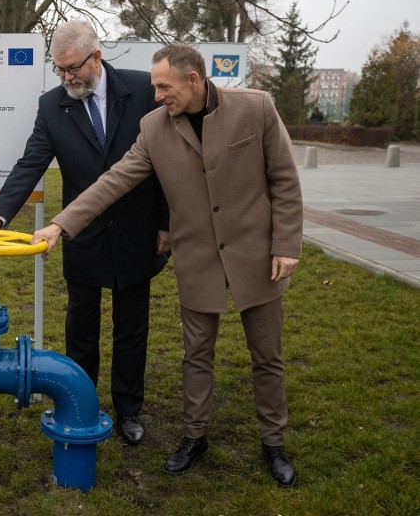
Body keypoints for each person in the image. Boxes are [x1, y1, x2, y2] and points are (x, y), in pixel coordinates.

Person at [32, 43, 303, 487]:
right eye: (155, 87)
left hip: (258, 256)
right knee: (197, 355)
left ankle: (273, 443)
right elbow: (113, 181)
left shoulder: (255, 108)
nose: (156, 95)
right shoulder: (154, 128)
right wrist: (60, 226)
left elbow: (285, 181)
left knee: (266, 357)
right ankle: (195, 437)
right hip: (196, 258)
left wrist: (286, 244)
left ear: (193, 80)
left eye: (164, 87)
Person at [0, 20, 169, 445]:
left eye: (72, 68)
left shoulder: (141, 91)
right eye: (58, 70)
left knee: (132, 327)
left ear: (96, 57)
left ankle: (129, 409)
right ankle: (80, 400)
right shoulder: (52, 105)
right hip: (82, 233)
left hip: (138, 230)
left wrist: (166, 224)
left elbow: (168, 165)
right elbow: (31, 163)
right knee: (82, 325)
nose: (65, 78)